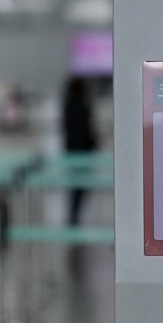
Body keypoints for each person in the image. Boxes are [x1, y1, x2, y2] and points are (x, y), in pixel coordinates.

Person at [62, 76, 97, 226]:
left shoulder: (68, 105)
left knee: (75, 187)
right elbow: (87, 131)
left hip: (72, 151)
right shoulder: (83, 106)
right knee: (80, 187)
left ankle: (74, 216)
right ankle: (74, 216)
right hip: (83, 151)